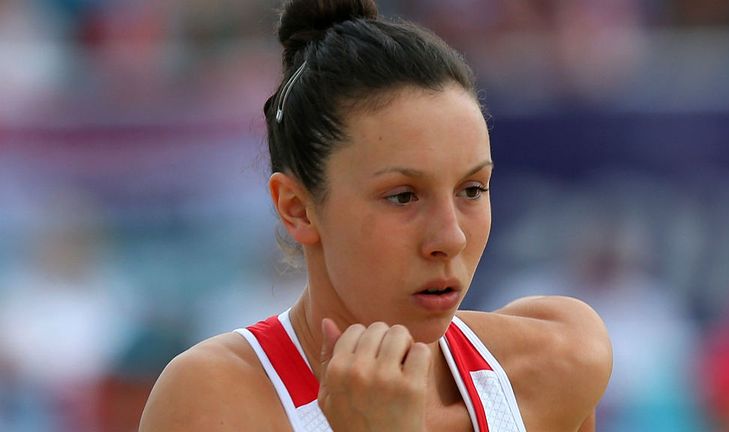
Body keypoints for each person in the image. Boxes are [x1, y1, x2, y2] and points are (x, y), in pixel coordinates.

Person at [138, 1, 612, 431]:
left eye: (472, 189)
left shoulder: (558, 359)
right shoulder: (212, 403)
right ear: (297, 209)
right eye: (403, 196)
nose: (450, 237)